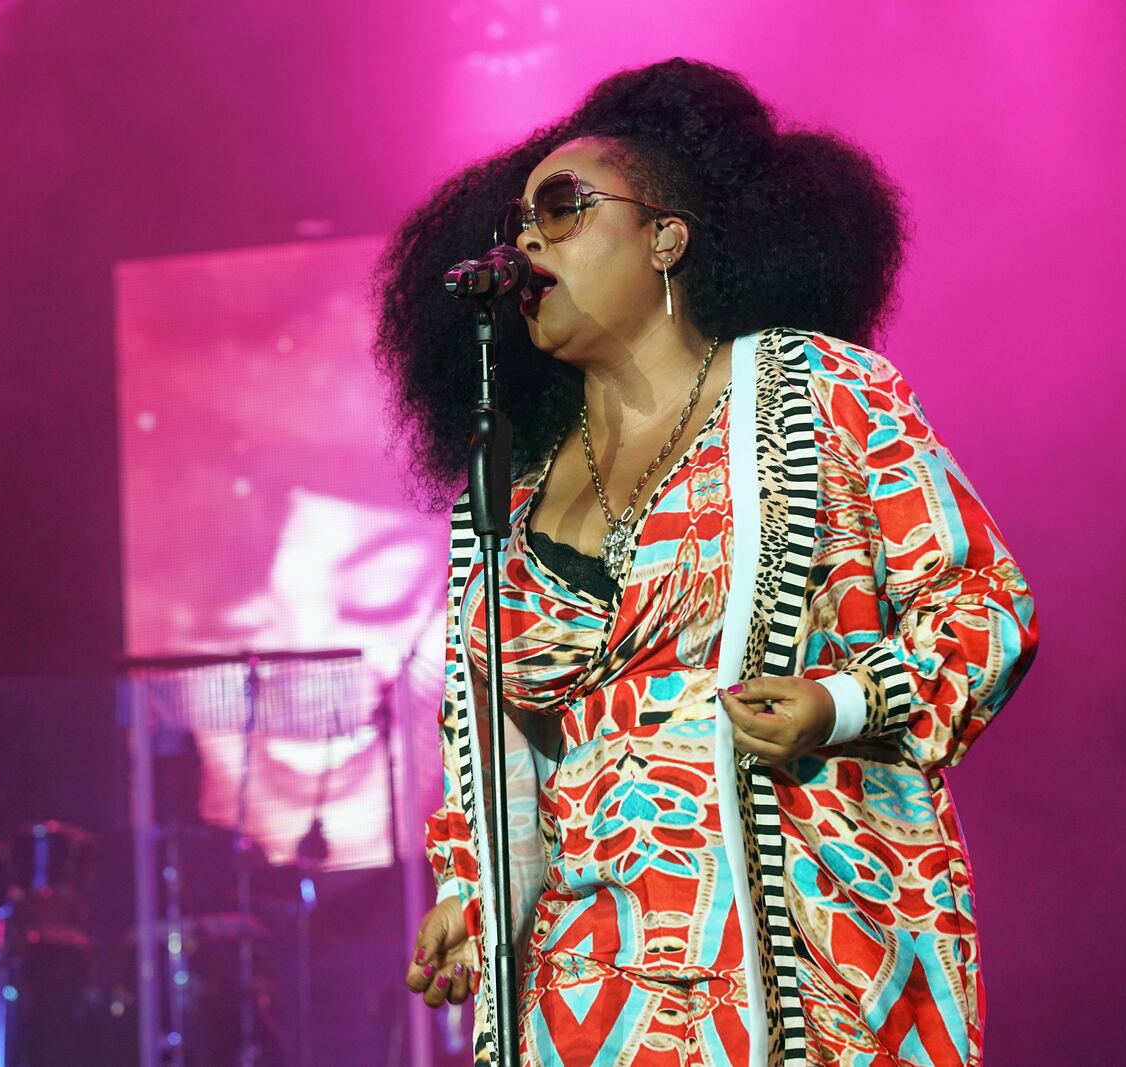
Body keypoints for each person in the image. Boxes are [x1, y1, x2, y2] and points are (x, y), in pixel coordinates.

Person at [376, 59, 1038, 1067]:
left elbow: (982, 603)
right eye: (514, 221)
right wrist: (474, 894)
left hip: (800, 956)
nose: (524, 239)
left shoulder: (818, 391)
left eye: (561, 207)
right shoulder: (500, 493)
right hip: (583, 990)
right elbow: (496, 751)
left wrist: (838, 703)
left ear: (664, 237)